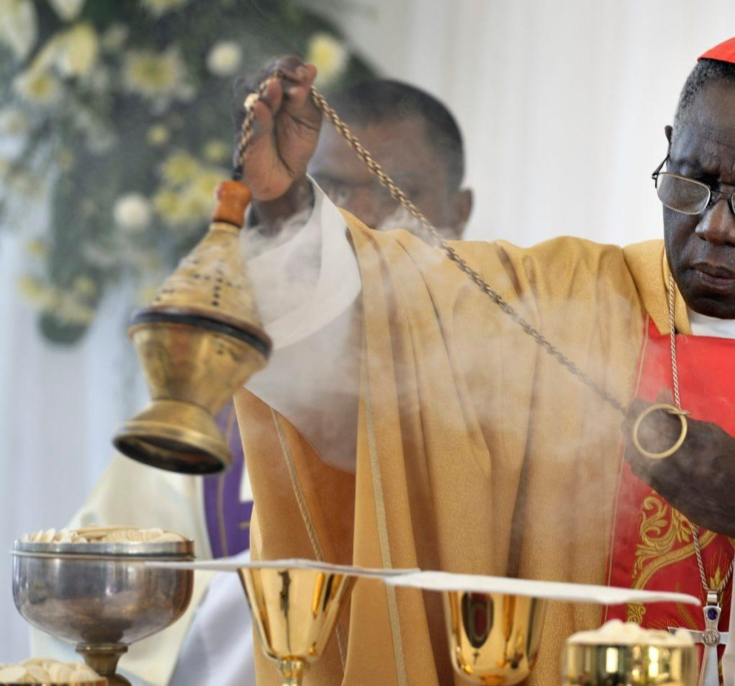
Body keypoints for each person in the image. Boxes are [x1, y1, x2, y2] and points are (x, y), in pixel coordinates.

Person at [233, 24, 735, 686]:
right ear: (669, 147)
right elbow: (386, 339)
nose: (713, 226)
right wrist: (287, 219)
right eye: (690, 182)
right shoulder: (565, 300)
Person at [30, 79, 472, 686]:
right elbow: (96, 606)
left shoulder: (502, 402)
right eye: (336, 189)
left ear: (461, 212)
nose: (365, 218)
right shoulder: (215, 402)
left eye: (404, 192)